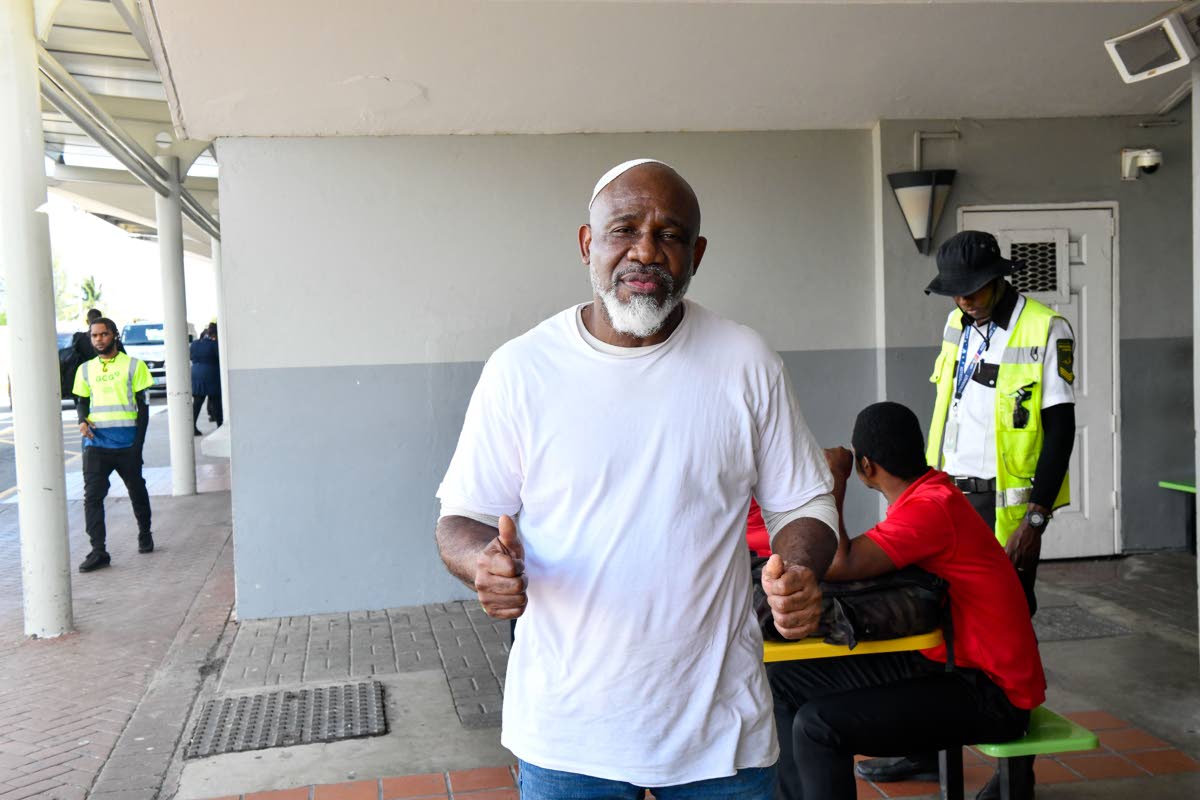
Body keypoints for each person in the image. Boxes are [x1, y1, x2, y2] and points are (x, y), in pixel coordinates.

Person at [435, 158, 841, 799]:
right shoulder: (522, 369)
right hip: (568, 736)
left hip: (719, 734)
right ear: (587, 243)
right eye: (624, 229)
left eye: (670, 234)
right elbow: (462, 517)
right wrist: (481, 563)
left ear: (696, 254)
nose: (646, 251)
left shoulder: (744, 361)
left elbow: (806, 503)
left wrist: (798, 569)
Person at [855, 230, 1074, 797]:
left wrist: (1036, 520)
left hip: (1007, 508)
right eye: (954, 291)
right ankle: (927, 750)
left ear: (999, 278)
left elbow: (1061, 430)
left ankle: (1015, 775)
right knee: (930, 618)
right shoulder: (958, 323)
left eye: (973, 289)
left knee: (1009, 631)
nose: (963, 300)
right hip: (948, 496)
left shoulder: (1045, 328)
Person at [769, 402, 1045, 800]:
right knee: (782, 680)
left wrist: (834, 480)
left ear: (866, 466)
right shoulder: (930, 494)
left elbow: (838, 562)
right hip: (943, 662)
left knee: (819, 726)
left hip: (992, 692)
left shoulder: (932, 508)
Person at [72, 317, 154, 572]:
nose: (99, 339)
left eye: (104, 334)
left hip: (127, 444)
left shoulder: (134, 366)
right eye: (94, 335)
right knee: (92, 498)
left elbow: (143, 409)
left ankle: (145, 532)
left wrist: (138, 445)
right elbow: (82, 400)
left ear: (114, 335)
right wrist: (82, 420)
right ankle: (98, 551)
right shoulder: (85, 369)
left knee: (136, 490)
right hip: (95, 444)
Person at [190, 322, 223, 434]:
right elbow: (220, 358)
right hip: (211, 374)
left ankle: (192, 427)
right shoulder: (215, 344)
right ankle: (220, 425)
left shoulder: (195, 344)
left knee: (197, 402)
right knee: (216, 401)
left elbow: (191, 357)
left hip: (196, 374)